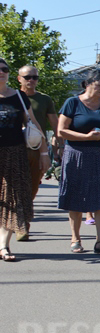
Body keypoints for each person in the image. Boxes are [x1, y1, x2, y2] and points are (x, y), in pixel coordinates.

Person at [57, 69, 100, 254]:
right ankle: (75, 239)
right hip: (76, 154)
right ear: (88, 84)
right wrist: (86, 137)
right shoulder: (73, 103)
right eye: (98, 85)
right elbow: (61, 130)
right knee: (76, 196)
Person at [0, 58, 41, 262]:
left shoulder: (19, 97)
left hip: (14, 153)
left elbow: (32, 123)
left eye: (4, 69)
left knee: (11, 199)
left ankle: (4, 246)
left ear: (9, 74)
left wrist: (44, 153)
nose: (1, 72)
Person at [16, 64, 59, 240]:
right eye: (27, 77)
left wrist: (58, 148)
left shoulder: (44, 99)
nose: (32, 80)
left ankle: (24, 221)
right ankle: (19, 225)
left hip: (35, 148)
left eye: (35, 77)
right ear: (19, 78)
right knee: (15, 188)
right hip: (12, 148)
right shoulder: (12, 97)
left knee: (32, 187)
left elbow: (55, 125)